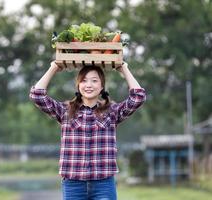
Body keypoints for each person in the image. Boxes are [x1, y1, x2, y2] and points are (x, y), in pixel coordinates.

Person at [29, 61, 146, 200]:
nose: (89, 85)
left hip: (103, 184)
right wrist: (54, 67)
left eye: (94, 81)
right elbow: (37, 95)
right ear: (78, 86)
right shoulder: (65, 111)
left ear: (102, 86)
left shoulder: (112, 111)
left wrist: (124, 69)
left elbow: (138, 97)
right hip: (73, 184)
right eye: (84, 81)